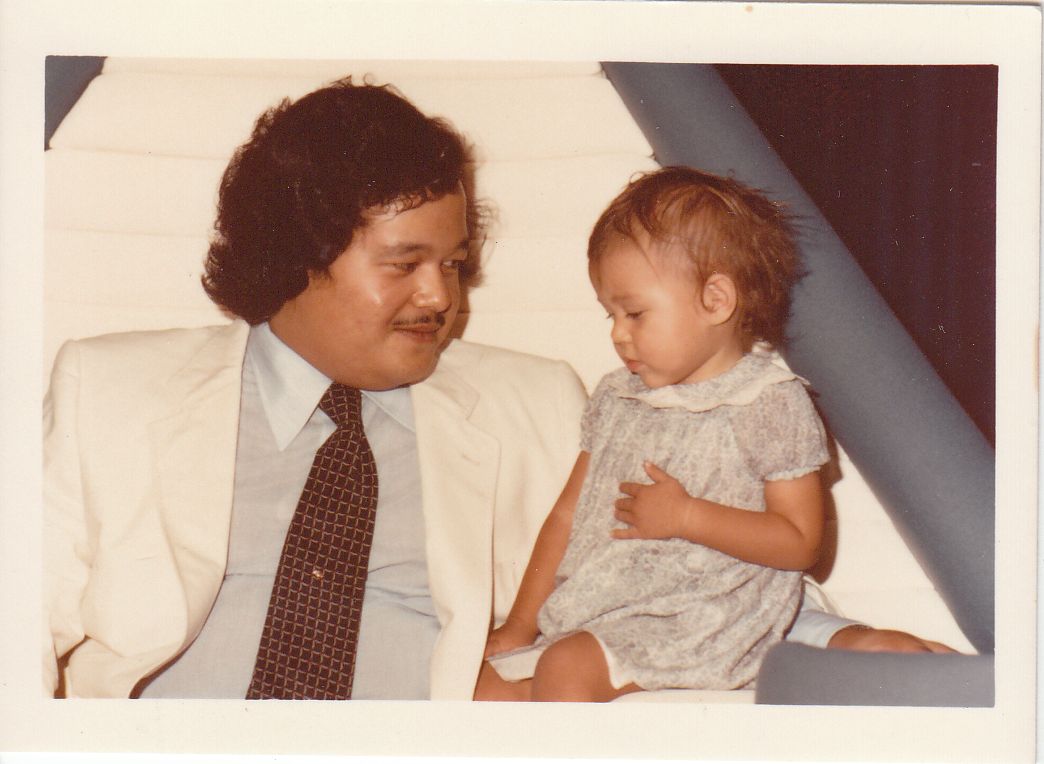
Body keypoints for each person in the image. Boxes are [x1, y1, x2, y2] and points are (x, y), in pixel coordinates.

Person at [42, 78, 949, 702]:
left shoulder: (546, 403)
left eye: (456, 263)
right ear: (296, 253)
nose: (443, 296)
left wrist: (850, 647)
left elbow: (708, 583)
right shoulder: (110, 388)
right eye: (405, 263)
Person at [476, 167, 951, 703]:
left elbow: (799, 542)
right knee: (481, 689)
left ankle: (862, 650)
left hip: (709, 612)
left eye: (633, 312)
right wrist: (520, 624)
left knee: (566, 670)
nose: (616, 333)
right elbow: (567, 515)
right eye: (609, 314)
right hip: (611, 604)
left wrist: (686, 516)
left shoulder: (769, 402)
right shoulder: (617, 398)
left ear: (716, 301)